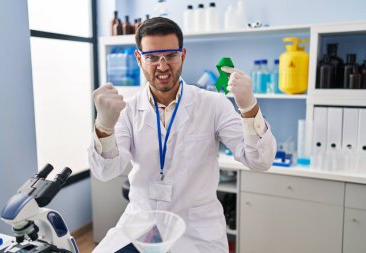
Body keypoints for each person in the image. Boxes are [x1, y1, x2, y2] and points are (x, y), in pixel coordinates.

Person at [88, 17, 276, 253]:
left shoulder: (213, 104)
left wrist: (249, 107)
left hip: (195, 230)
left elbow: (260, 161)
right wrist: (104, 127)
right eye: (152, 57)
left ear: (183, 55)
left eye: (170, 55)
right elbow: (107, 171)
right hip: (142, 225)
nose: (163, 66)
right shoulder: (128, 110)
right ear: (139, 59)